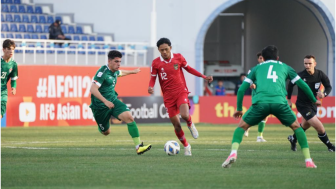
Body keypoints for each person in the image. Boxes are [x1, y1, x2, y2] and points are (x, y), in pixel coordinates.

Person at [222, 45, 321, 169]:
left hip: (260, 103)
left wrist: (239, 108)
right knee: (297, 128)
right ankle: (308, 160)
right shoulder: (285, 67)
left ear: (262, 57)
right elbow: (303, 85)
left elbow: (241, 89)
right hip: (280, 103)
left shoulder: (256, 68)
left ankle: (233, 153)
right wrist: (313, 99)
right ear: (278, 58)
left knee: (241, 127)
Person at [148, 38, 213, 156]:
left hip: (181, 91)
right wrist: (150, 87)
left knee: (184, 115)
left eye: (166, 49)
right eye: (161, 50)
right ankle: (187, 146)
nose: (164, 52)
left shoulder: (178, 57)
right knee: (177, 126)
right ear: (158, 50)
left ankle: (190, 124)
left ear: (170, 48)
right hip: (168, 96)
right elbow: (153, 77)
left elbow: (189, 69)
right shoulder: (156, 63)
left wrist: (204, 76)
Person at [89, 50, 151, 155]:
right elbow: (93, 89)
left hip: (113, 101)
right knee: (106, 132)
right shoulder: (102, 72)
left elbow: (121, 73)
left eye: (120, 62)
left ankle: (138, 147)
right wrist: (105, 101)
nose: (118, 64)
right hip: (100, 106)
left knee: (129, 117)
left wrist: (133, 71)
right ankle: (101, 126)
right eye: (116, 61)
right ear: (109, 61)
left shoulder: (114, 71)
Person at [287, 55, 335, 152]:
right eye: (306, 63)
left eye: (310, 63)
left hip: (313, 104)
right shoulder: (300, 75)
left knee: (305, 125)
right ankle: (330, 146)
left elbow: (328, 86)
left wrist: (324, 94)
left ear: (315, 64)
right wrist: (288, 99)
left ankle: (293, 139)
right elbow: (290, 85)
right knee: (319, 127)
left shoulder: (320, 74)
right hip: (302, 105)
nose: (307, 65)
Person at [244, 52, 267, 142]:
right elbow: (247, 80)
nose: (262, 60)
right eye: (260, 58)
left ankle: (259, 136)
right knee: (259, 114)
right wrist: (252, 84)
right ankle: (247, 127)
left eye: (263, 58)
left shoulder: (269, 69)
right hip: (257, 95)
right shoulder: (253, 69)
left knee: (264, 115)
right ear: (258, 59)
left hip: (267, 94)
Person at [1, 39, 18, 119]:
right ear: (3, 49)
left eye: (13, 49)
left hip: (3, 90)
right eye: (9, 49)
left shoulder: (13, 64)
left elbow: (13, 78)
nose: (11, 51)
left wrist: (13, 87)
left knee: (2, 112)